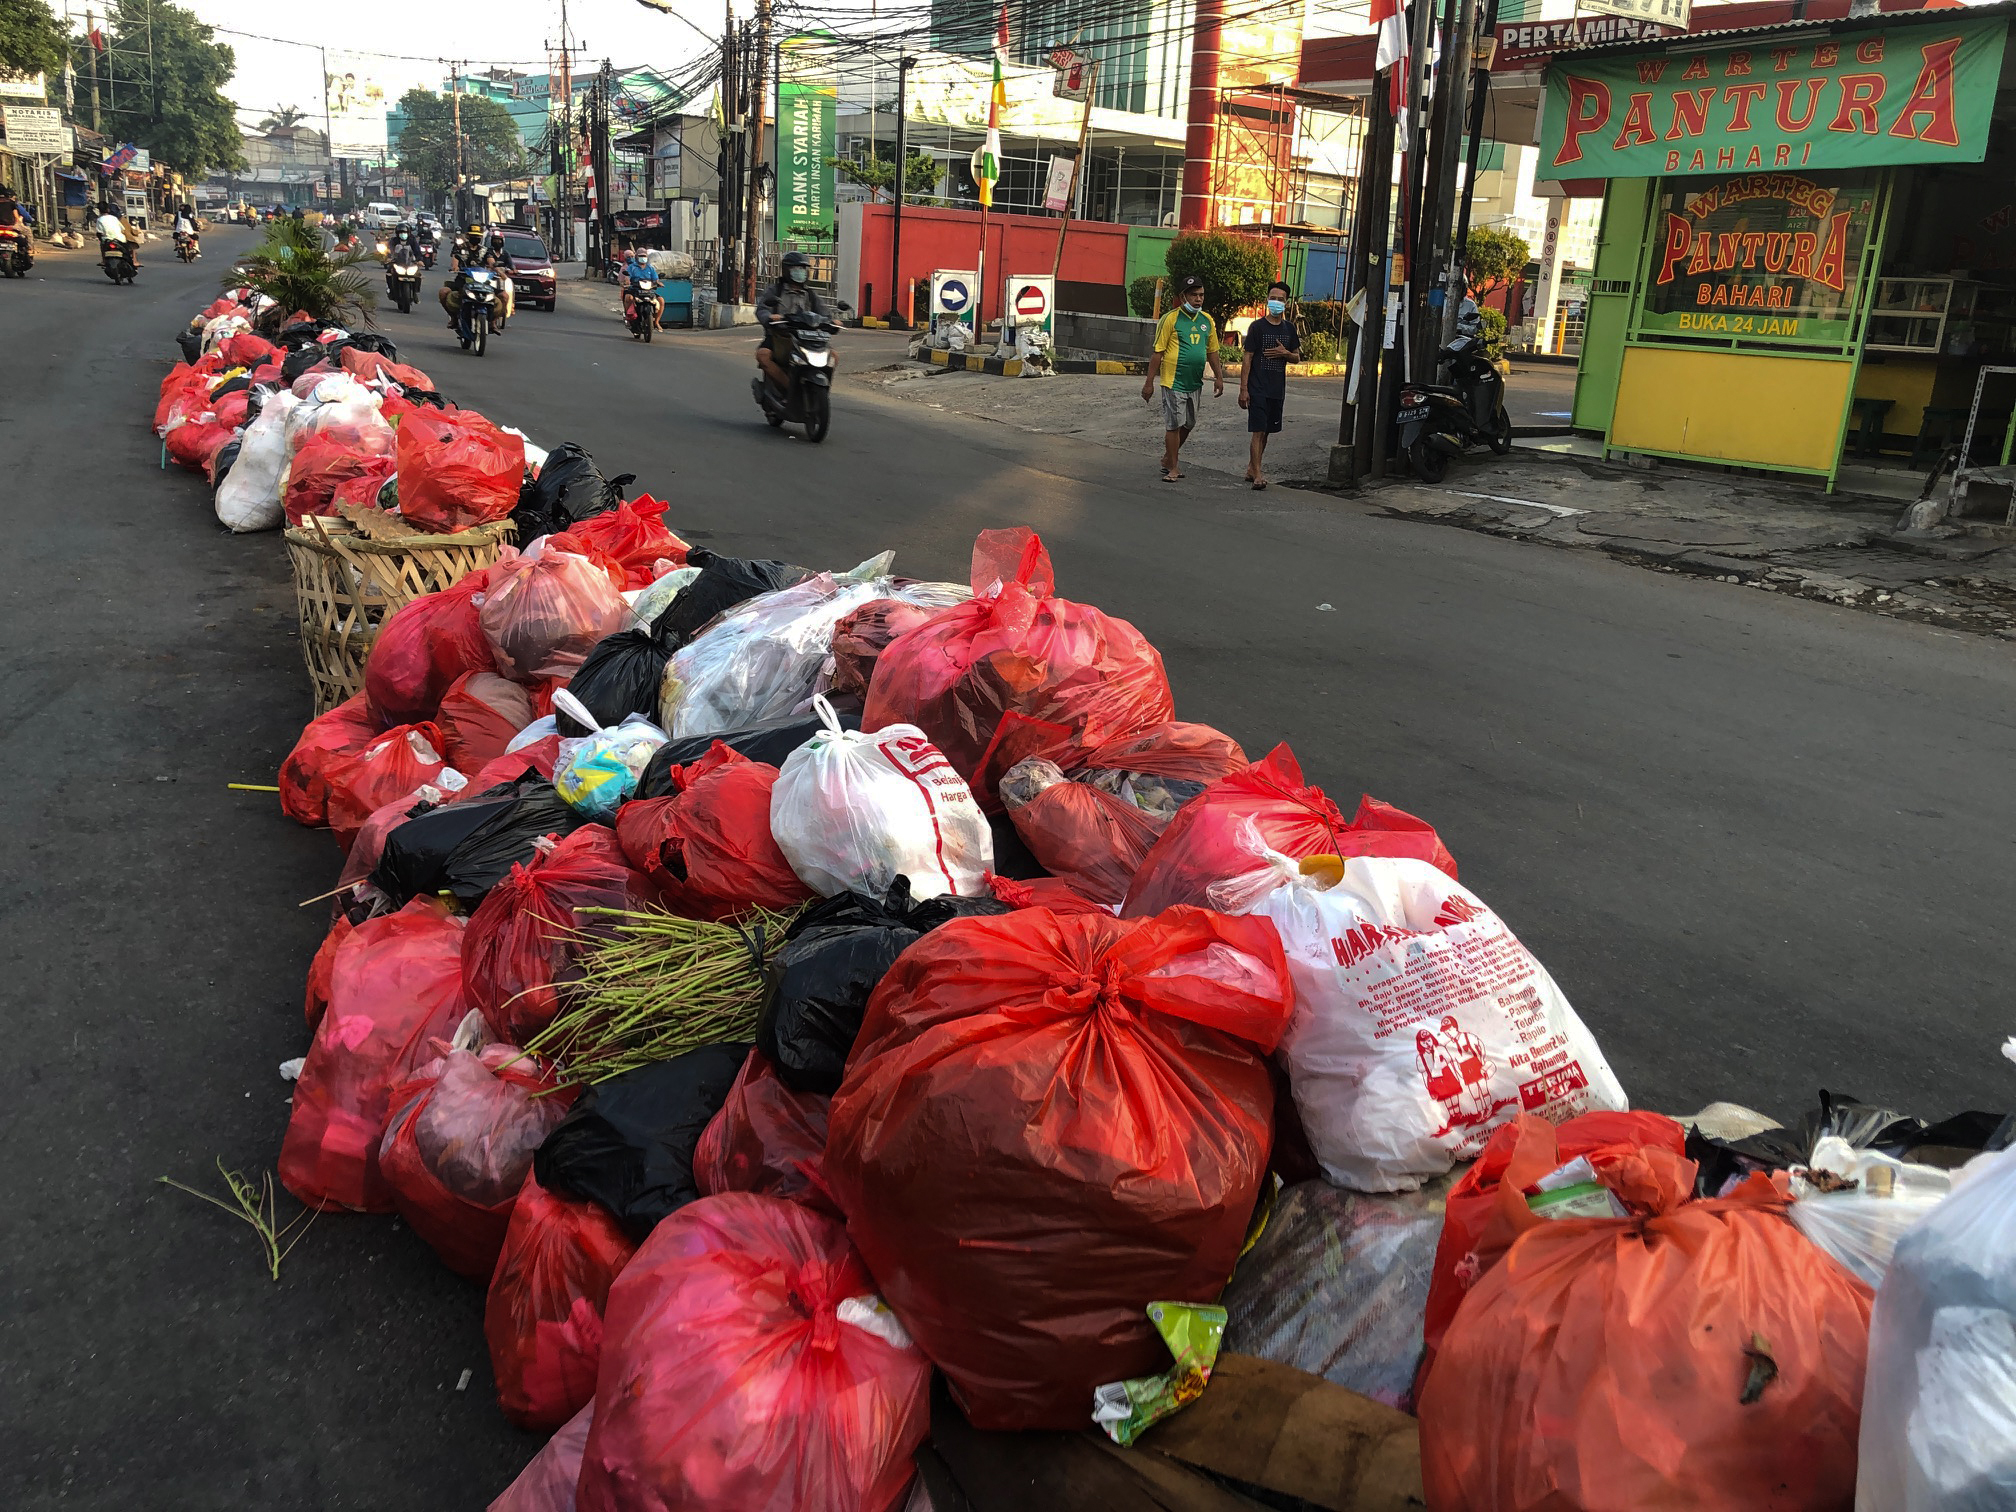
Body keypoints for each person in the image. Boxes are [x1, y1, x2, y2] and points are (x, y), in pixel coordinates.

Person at [1142, 274, 1224, 483]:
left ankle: (1168, 457)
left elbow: (1212, 351)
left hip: (1194, 382)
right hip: (1173, 381)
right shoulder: (1170, 319)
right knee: (1174, 424)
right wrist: (1149, 383)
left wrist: (1219, 377)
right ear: (1183, 297)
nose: (1198, 299)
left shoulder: (1207, 321)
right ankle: (1173, 467)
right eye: (1194, 295)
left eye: (1201, 295)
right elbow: (1158, 353)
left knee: (1189, 423)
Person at [1237, 281, 1300, 490]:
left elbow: (1297, 358)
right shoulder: (1257, 327)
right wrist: (1244, 389)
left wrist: (1285, 353)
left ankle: (1251, 468)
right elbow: (1247, 358)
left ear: (1286, 303)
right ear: (1267, 300)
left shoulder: (1289, 328)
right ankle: (1257, 475)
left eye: (1280, 299)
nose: (1276, 302)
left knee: (1266, 432)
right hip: (1257, 388)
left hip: (1276, 389)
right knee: (1258, 430)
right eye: (1273, 298)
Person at [755, 249, 831, 393]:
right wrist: (770, 317)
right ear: (786, 270)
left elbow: (824, 313)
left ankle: (822, 391)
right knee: (763, 356)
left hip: (807, 338)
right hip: (780, 336)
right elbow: (762, 309)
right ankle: (790, 388)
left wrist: (832, 321)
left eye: (803, 269)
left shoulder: (810, 294)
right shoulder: (776, 290)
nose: (800, 272)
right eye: (796, 269)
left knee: (832, 356)